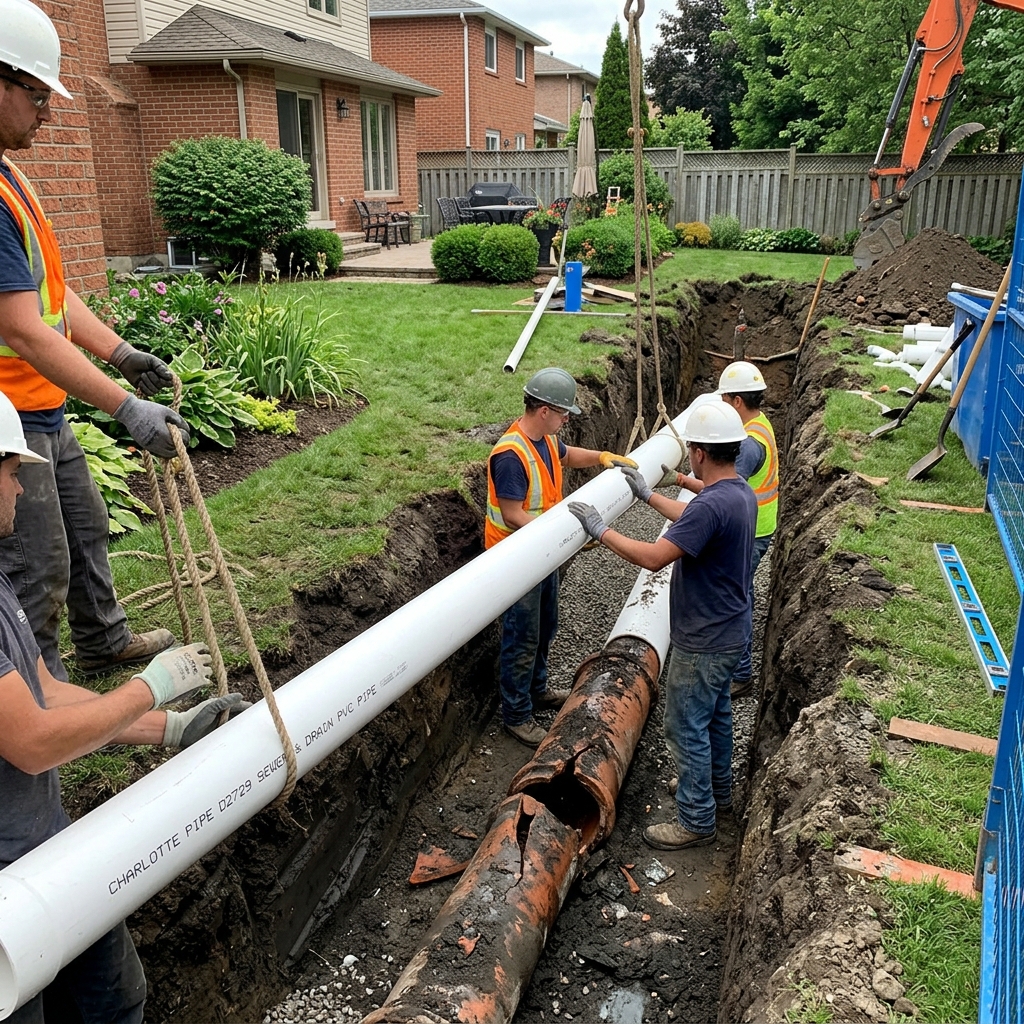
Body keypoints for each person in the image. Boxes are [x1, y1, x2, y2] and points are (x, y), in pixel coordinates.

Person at [0, 390, 246, 1023]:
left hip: (43, 847)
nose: (21, 489)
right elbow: (33, 742)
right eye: (11, 472)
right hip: (5, 896)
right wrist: (148, 687)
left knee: (115, 999)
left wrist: (170, 727)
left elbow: (47, 694)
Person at [0, 0, 190, 680]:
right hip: (10, 423)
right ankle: (40, 697)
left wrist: (120, 353)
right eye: (35, 94)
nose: (47, 112)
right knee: (35, 570)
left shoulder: (12, 177)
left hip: (42, 408)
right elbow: (20, 328)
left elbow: (52, 294)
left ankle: (104, 641)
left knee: (85, 528)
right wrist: (126, 408)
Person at [568, 401, 756, 850]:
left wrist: (601, 531)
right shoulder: (740, 493)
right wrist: (647, 496)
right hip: (730, 631)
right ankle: (716, 793)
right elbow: (694, 523)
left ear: (699, 453)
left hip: (703, 639)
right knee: (715, 716)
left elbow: (655, 558)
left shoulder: (711, 505)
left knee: (685, 725)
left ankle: (696, 819)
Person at [487, 366, 637, 747]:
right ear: (543, 411)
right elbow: (512, 514)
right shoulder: (511, 455)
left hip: (544, 554)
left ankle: (536, 690)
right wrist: (567, 533)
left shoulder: (545, 440)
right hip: (516, 560)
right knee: (522, 636)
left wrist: (603, 457)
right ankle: (516, 714)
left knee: (546, 625)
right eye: (563, 412)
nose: (567, 419)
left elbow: (568, 456)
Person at [664, 361, 778, 698]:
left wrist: (680, 481)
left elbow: (720, 491)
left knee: (734, 598)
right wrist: (682, 480)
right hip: (755, 522)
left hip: (747, 530)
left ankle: (738, 673)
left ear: (737, 401)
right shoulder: (758, 424)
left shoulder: (749, 444)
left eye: (725, 399)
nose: (723, 406)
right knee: (739, 593)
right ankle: (734, 666)